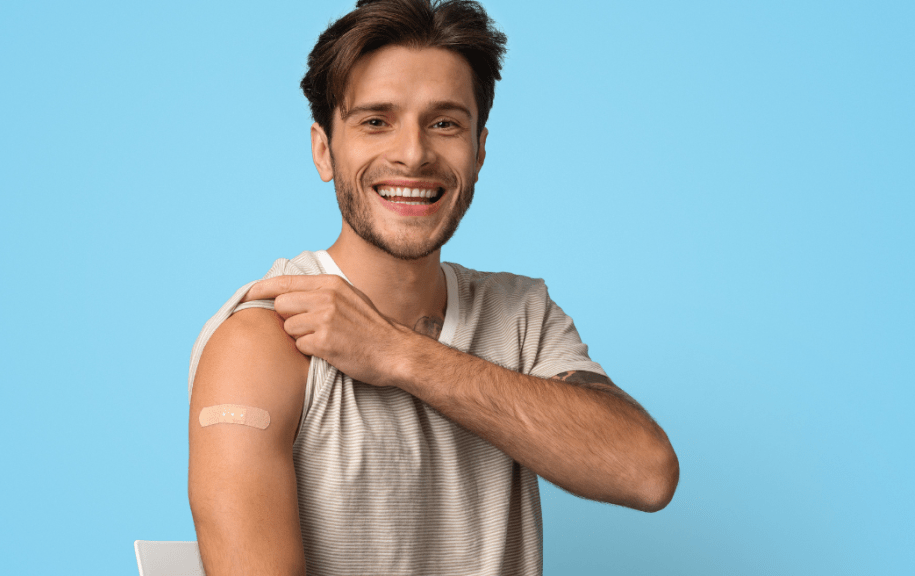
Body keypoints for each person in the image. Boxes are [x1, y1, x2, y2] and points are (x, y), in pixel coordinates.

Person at [186, 0, 679, 574]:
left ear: (479, 151)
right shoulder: (261, 339)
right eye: (375, 121)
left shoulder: (521, 314)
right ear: (324, 149)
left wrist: (397, 354)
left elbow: (646, 473)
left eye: (445, 123)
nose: (413, 153)